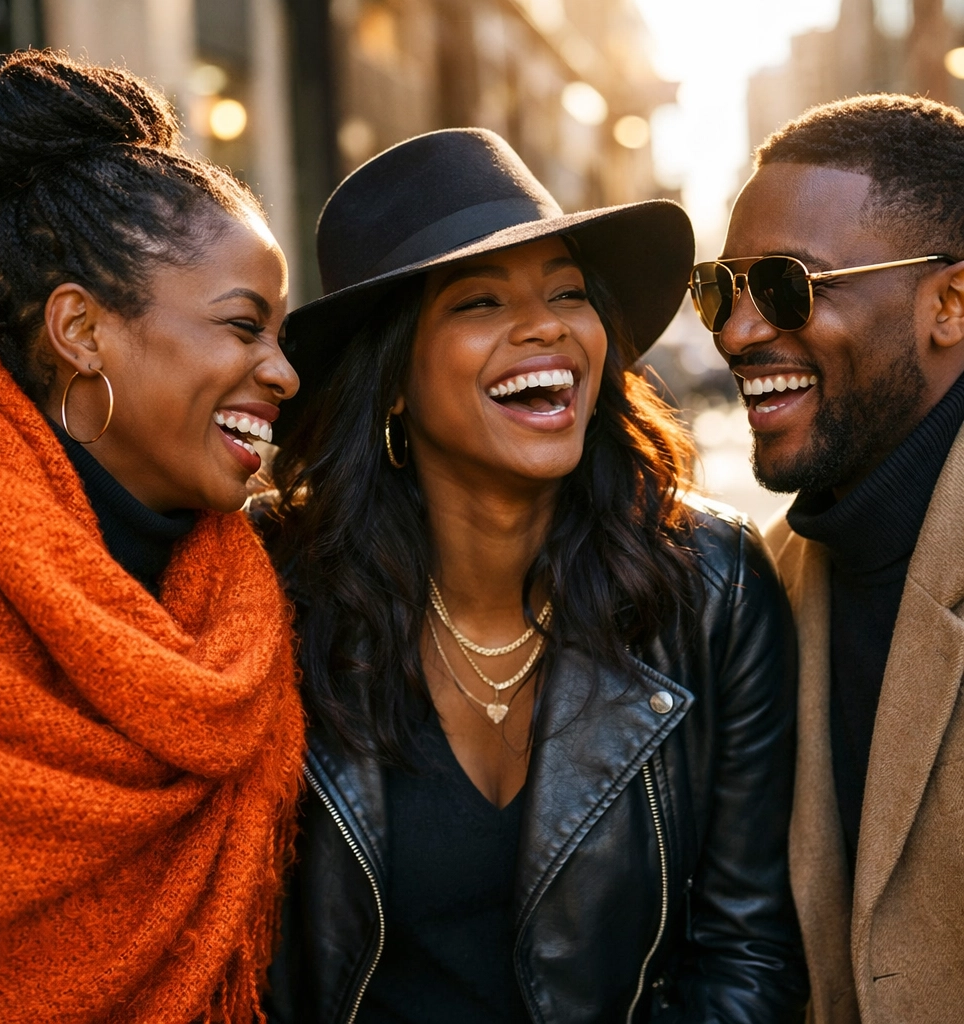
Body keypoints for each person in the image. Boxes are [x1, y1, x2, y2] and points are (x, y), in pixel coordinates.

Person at [263, 128, 807, 1024]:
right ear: (392, 377)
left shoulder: (714, 584)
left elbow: (746, 951)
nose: (547, 326)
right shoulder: (274, 588)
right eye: (479, 302)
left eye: (568, 293)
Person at [0, 52, 305, 1023]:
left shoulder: (263, 591)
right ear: (81, 330)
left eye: (280, 336)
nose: (283, 372)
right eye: (244, 327)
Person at [690, 94, 964, 1024]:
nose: (736, 333)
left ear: (949, 304)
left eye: (787, 286)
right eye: (719, 290)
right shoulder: (764, 582)